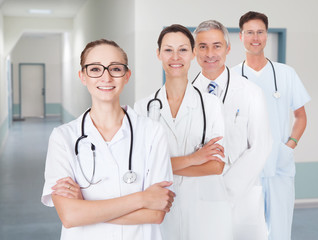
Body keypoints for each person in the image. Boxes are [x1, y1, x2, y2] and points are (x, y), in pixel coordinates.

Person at [41, 39, 175, 240]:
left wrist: (86, 207)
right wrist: (142, 198)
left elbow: (155, 214)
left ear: (127, 75)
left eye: (115, 68)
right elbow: (69, 216)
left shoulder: (152, 132)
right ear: (82, 76)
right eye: (95, 69)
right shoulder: (63, 137)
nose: (106, 77)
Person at [134, 24, 233, 240]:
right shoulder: (142, 108)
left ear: (193, 53)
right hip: (162, 209)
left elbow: (216, 166)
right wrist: (195, 159)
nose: (175, 57)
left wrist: (164, 166)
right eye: (168, 50)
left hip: (204, 209)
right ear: (158, 53)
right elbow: (142, 167)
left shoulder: (211, 104)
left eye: (183, 49)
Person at [232, 11, 311, 240]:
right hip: (244, 169)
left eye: (260, 32)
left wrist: (289, 146)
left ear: (266, 35)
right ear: (241, 36)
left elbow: (301, 116)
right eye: (249, 32)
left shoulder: (286, 74)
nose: (255, 38)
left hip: (279, 166)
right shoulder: (232, 77)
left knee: (279, 233)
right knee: (245, 233)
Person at [192, 20, 272, 240]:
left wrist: (225, 191)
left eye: (217, 46)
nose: (210, 53)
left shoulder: (250, 92)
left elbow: (260, 146)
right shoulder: (186, 96)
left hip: (241, 198)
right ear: (194, 51)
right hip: (198, 199)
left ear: (227, 49)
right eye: (202, 46)